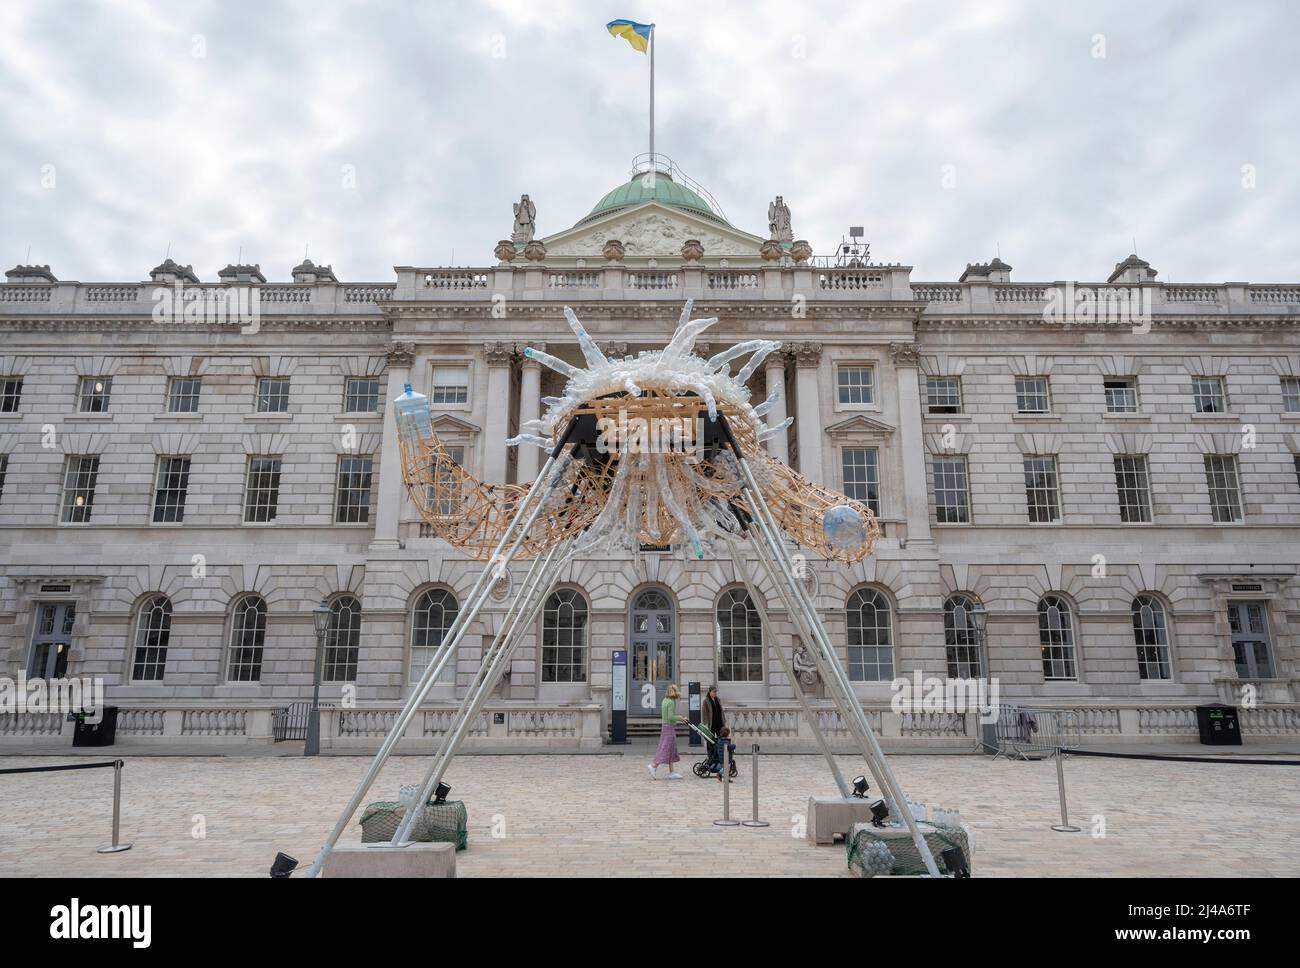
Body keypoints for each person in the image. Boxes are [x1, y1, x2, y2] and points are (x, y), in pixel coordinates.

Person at [648, 683, 688, 780]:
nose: (676, 692)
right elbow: (670, 717)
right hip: (669, 728)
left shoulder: (665, 700)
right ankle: (654, 765)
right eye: (675, 690)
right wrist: (681, 718)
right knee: (665, 748)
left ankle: (671, 772)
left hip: (665, 727)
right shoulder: (670, 702)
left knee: (670, 749)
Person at [702, 685, 725, 762]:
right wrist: (705, 723)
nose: (715, 693)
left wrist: (723, 720)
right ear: (710, 692)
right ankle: (710, 756)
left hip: (719, 723)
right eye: (714, 692)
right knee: (710, 740)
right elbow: (704, 713)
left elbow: (721, 710)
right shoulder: (706, 700)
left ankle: (719, 755)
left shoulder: (717, 699)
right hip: (711, 724)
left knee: (720, 739)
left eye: (716, 692)